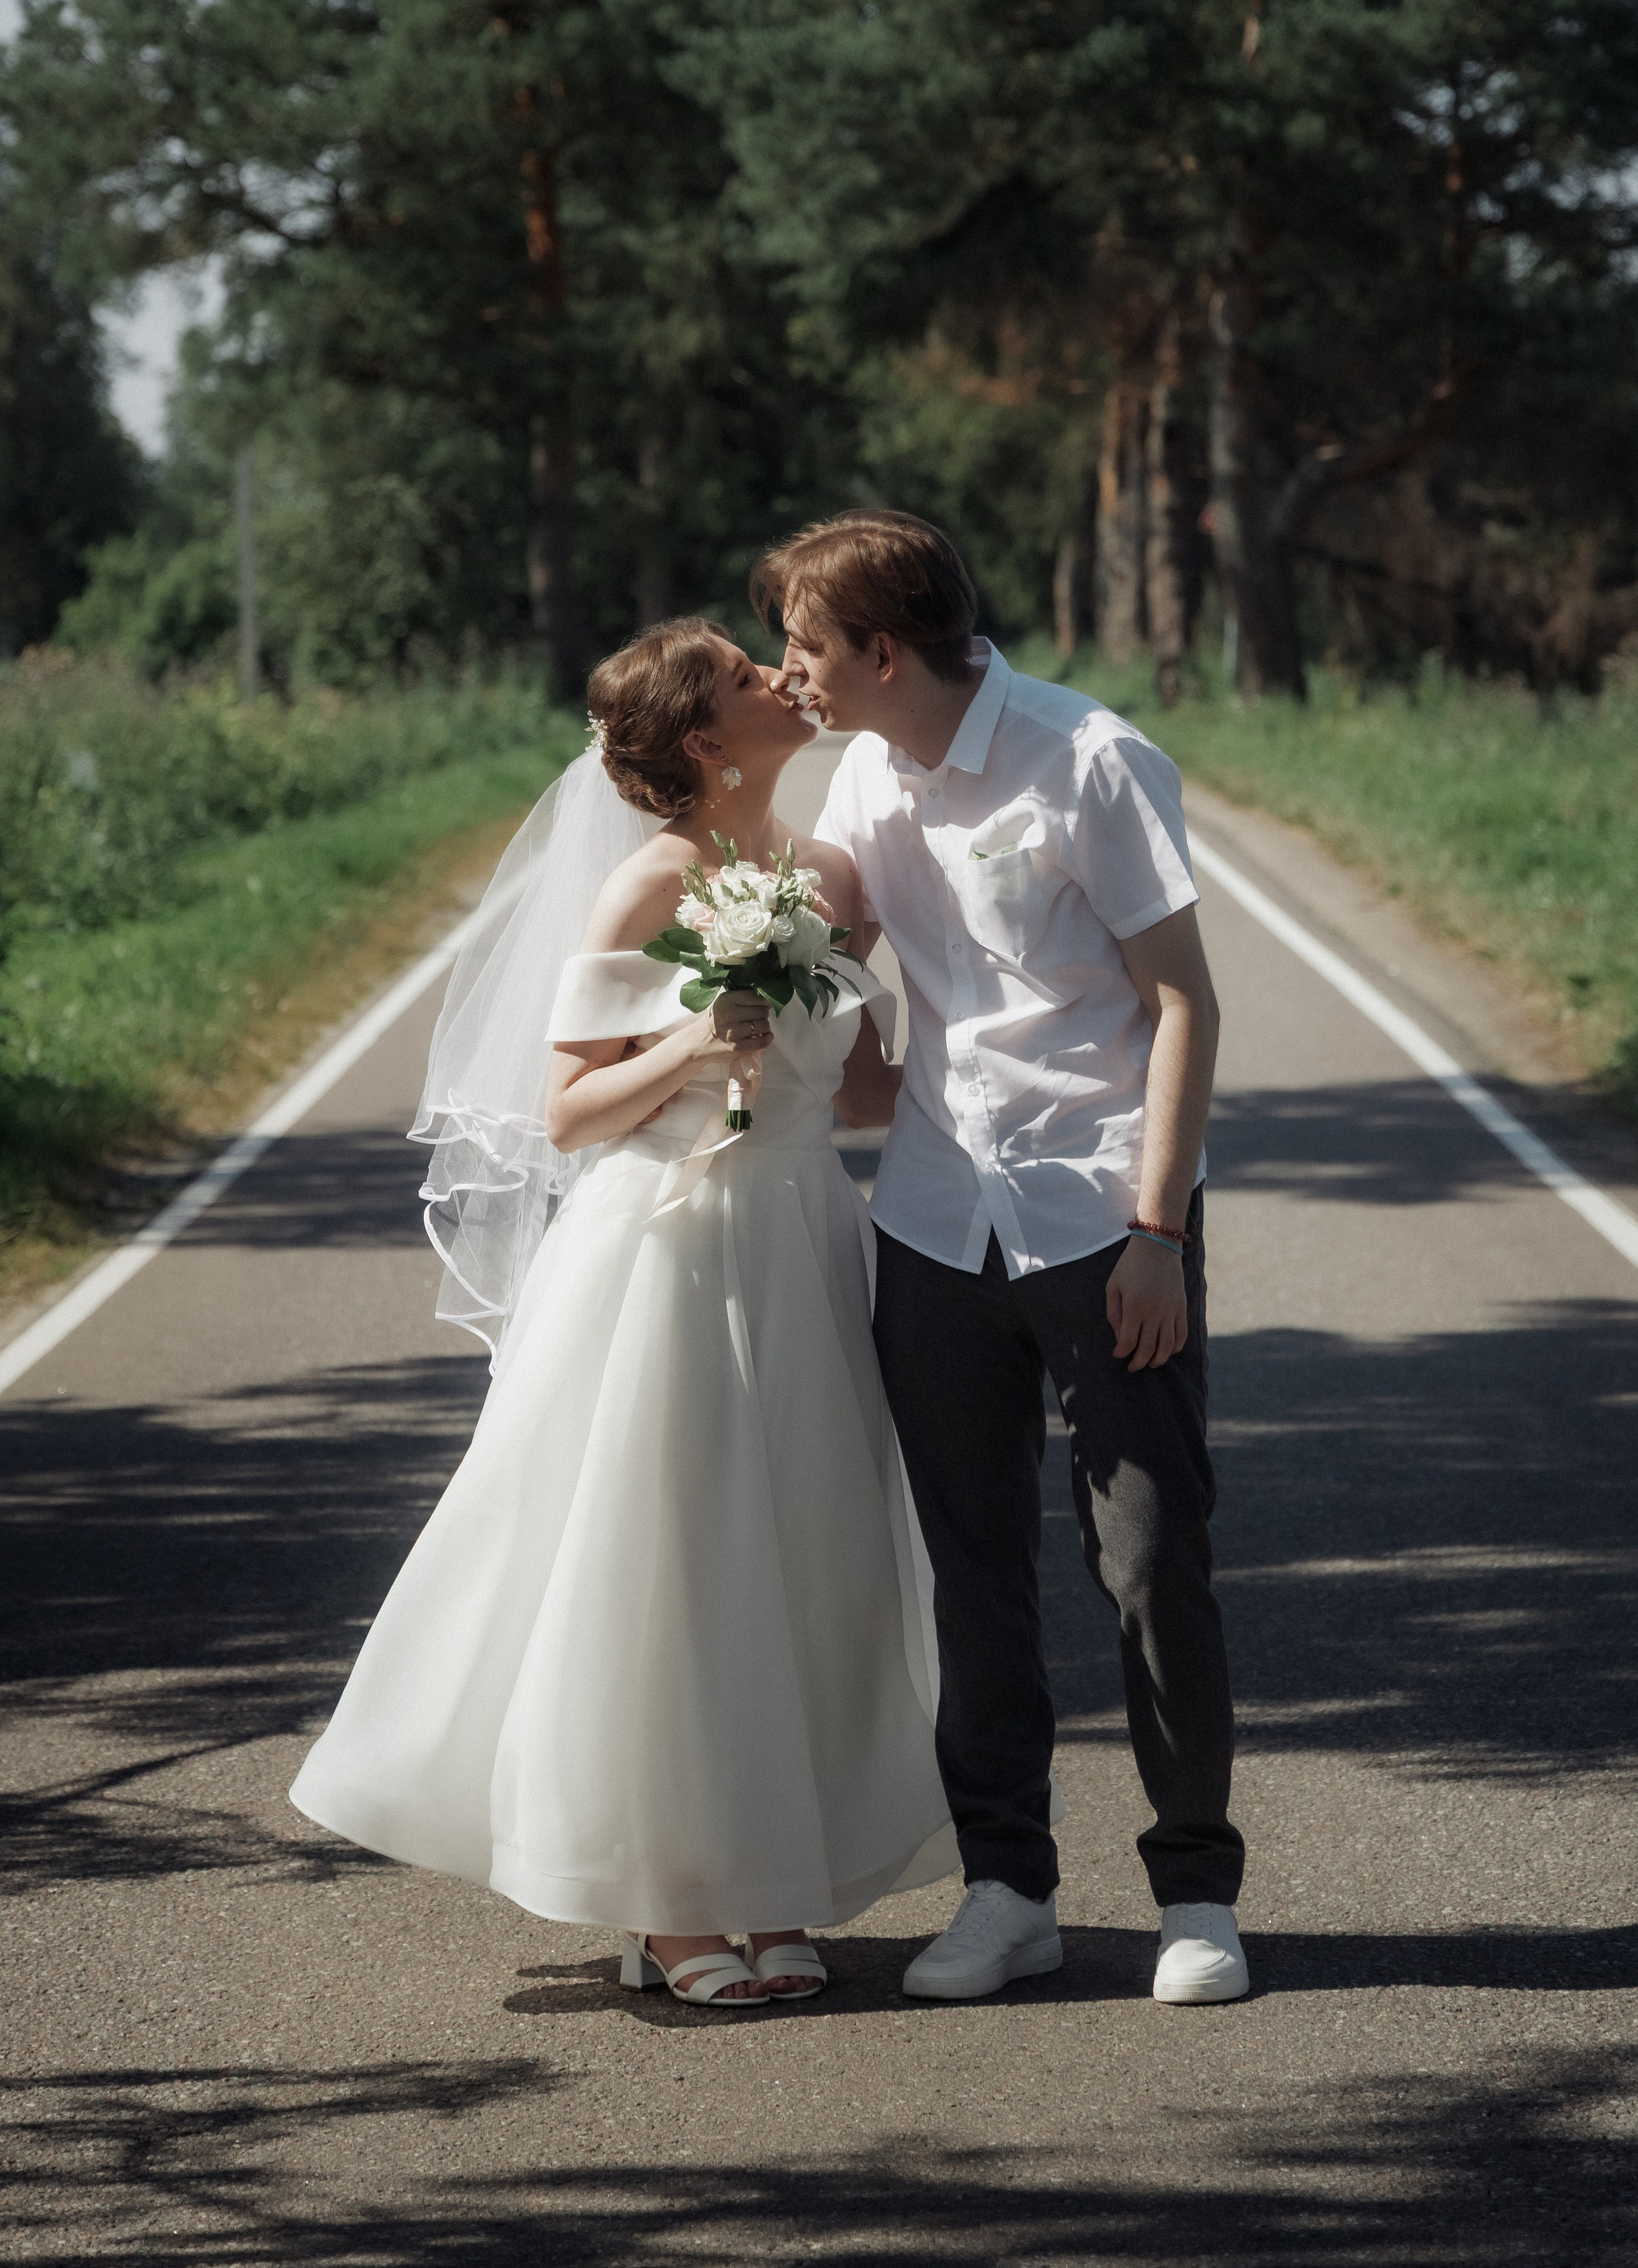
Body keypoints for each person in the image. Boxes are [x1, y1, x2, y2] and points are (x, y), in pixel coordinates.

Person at [291, 618, 956, 2008]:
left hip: (804, 1242)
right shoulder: (646, 887)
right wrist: (692, 1042)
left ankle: (774, 1880)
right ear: (704, 744)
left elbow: (867, 1093)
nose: (777, 674)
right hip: (667, 1248)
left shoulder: (828, 877)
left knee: (797, 1556)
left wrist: (974, 1028)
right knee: (672, 1564)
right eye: (736, 671)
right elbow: (568, 1111)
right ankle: (664, 1903)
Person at [766, 509, 1249, 2006]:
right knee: (970, 1574)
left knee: (1150, 1559)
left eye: (804, 644)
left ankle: (1195, 1897)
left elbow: (1183, 1004)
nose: (792, 669)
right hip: (928, 1220)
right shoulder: (860, 764)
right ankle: (1008, 1889)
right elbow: (811, 933)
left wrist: (1158, 1232)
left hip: (1102, 1221)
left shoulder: (1090, 759)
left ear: (881, 649)